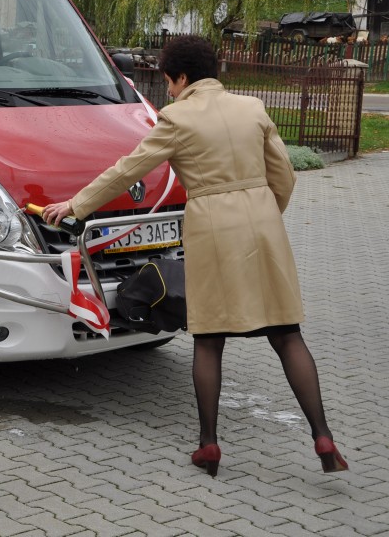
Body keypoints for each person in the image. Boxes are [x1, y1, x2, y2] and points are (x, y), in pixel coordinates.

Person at [41, 35, 348, 478]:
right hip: (264, 223)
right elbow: (284, 176)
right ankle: (322, 435)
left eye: (168, 82)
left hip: (212, 226)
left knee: (209, 338)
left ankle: (209, 445)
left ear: (182, 77)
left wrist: (76, 204)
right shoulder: (252, 108)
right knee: (286, 333)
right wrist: (263, 213)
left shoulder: (177, 118)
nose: (168, 90)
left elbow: (130, 168)